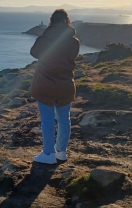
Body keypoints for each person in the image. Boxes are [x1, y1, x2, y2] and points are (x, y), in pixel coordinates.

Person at [29, 9, 80, 164]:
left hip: (45, 83)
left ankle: (48, 154)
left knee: (47, 120)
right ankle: (61, 152)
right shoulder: (74, 41)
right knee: (64, 119)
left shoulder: (44, 38)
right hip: (66, 84)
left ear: (51, 21)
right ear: (67, 21)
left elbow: (34, 53)